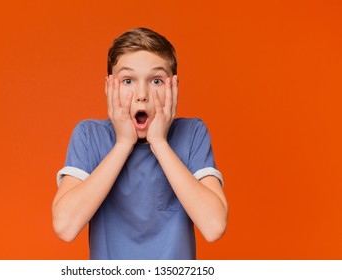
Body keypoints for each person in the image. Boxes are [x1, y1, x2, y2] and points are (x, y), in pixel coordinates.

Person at [52, 27, 228, 260]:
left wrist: (160, 143)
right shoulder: (89, 135)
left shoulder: (192, 133)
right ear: (109, 88)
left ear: (173, 87)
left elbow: (214, 226)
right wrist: (123, 144)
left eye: (156, 80)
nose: (142, 94)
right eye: (128, 80)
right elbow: (65, 227)